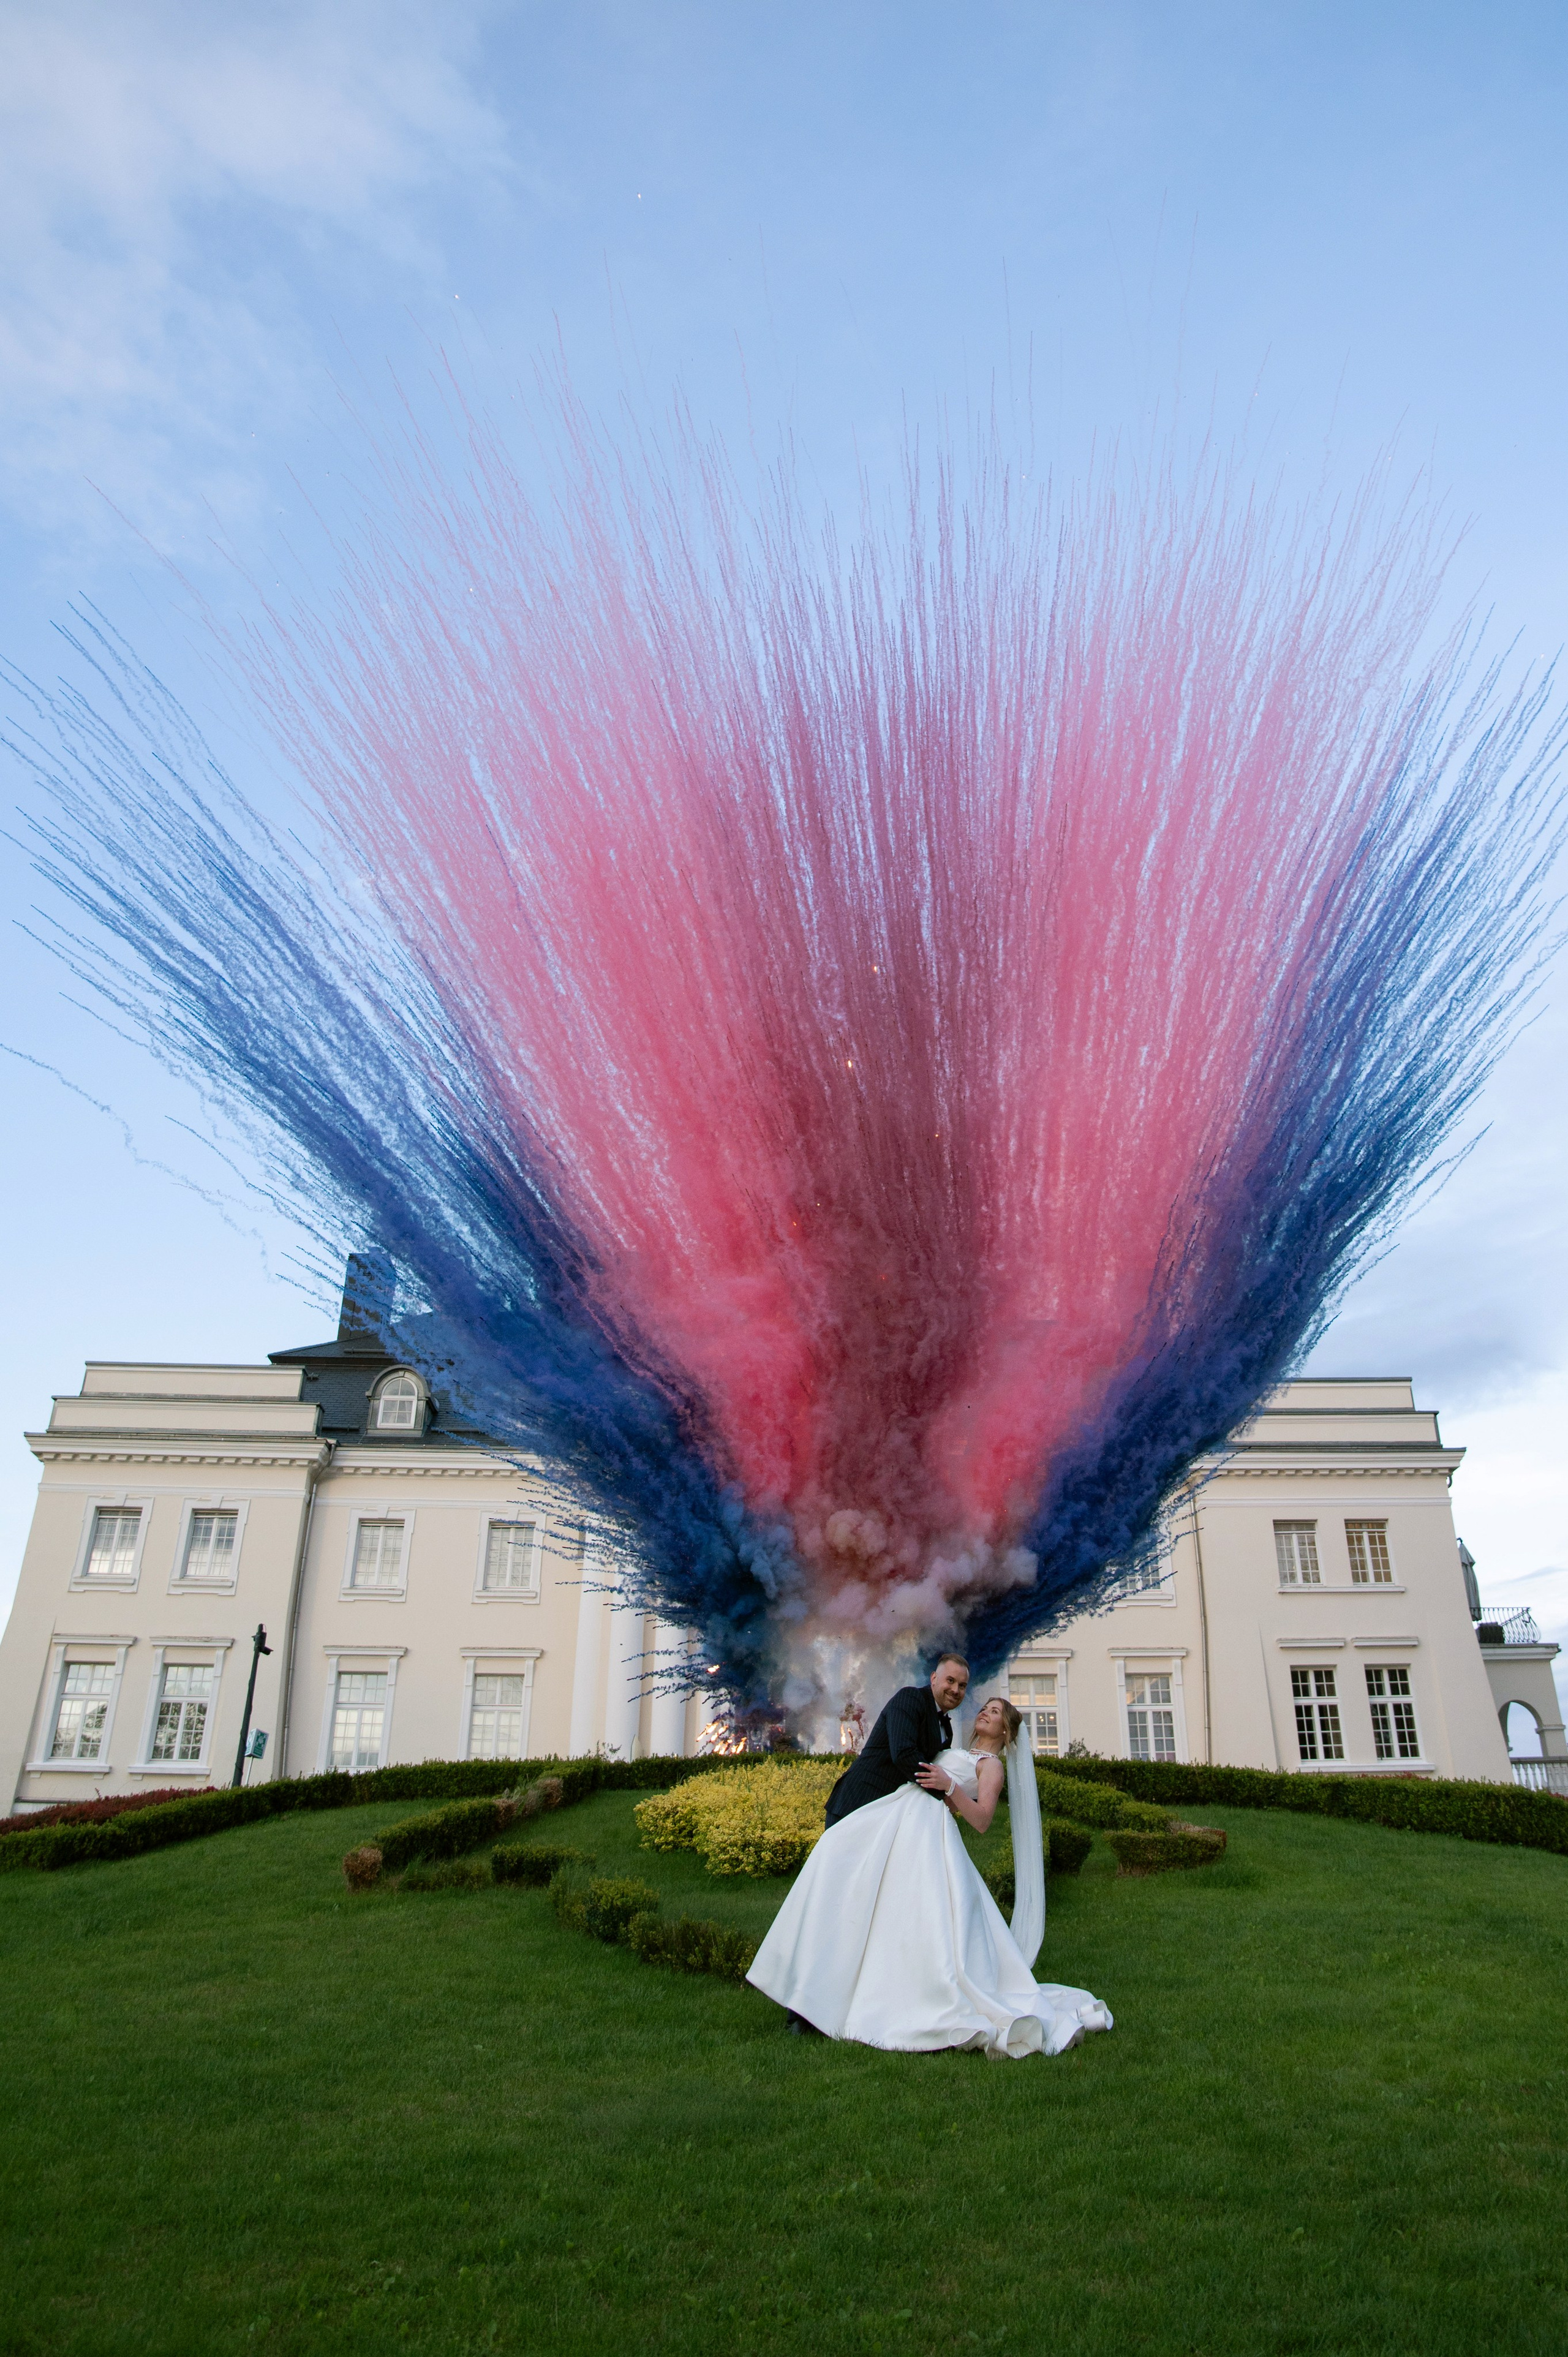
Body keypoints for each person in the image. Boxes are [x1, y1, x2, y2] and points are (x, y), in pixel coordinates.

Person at [747, 1693, 1114, 2059]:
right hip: (899, 1813)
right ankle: (816, 1992)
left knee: (917, 1914)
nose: (985, 1713)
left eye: (996, 1712)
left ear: (1007, 1730)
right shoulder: (952, 1745)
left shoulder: (992, 1766)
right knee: (844, 1871)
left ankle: (909, 1998)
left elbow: (983, 1820)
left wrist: (949, 1785)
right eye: (985, 1708)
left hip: (927, 1829)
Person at [823, 1654, 971, 1827]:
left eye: (962, 1686)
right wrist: (945, 1793)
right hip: (858, 1802)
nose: (955, 1690)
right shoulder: (911, 1698)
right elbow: (904, 1753)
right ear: (934, 1678)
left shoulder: (946, 1728)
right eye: (950, 1680)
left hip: (889, 1813)